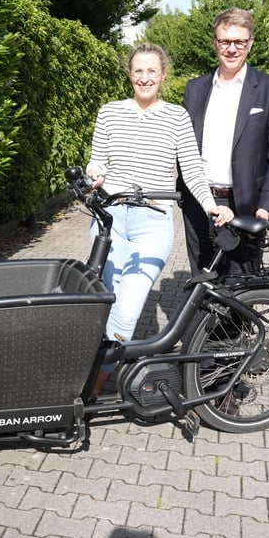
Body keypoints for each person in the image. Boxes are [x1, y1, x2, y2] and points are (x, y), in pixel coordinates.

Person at [86, 43, 232, 392]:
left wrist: (211, 204)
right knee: (102, 300)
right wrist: (96, 173)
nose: (145, 77)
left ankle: (92, 385)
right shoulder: (109, 113)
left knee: (128, 309)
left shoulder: (177, 117)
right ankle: (98, 371)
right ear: (129, 74)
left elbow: (192, 170)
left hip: (152, 221)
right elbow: (97, 159)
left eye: (152, 71)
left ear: (163, 75)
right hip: (109, 220)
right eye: (138, 70)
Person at [178, 8, 269, 277]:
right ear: (214, 43)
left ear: (250, 43)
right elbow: (181, 147)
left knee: (240, 292)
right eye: (225, 41)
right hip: (199, 205)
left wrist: (267, 206)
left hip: (246, 207)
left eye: (239, 41)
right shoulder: (195, 89)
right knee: (202, 285)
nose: (232, 49)